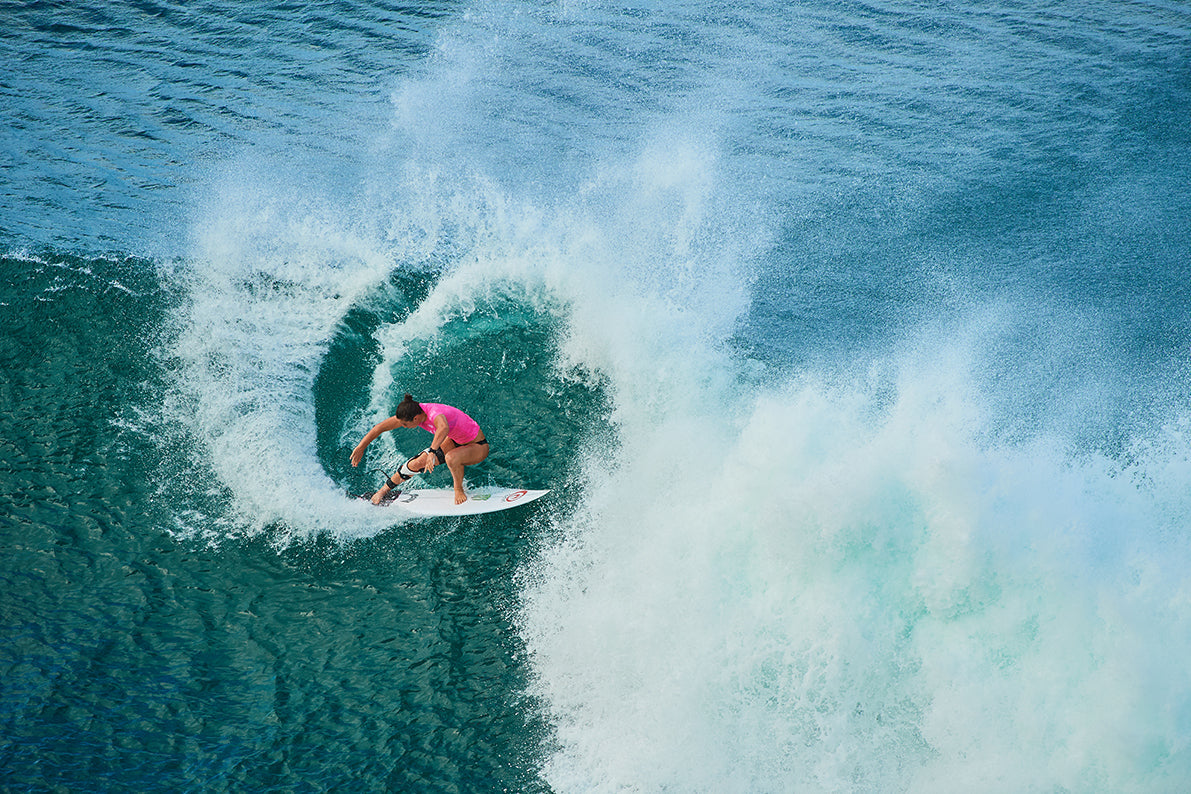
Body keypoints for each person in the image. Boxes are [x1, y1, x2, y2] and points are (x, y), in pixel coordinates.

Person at [351, 394, 489, 505]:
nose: (403, 426)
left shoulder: (434, 413)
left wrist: (433, 451)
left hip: (478, 445)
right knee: (417, 463)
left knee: (451, 457)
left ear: (416, 418)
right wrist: (361, 447)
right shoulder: (412, 412)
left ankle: (458, 489)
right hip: (454, 440)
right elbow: (379, 428)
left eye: (405, 424)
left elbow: (443, 428)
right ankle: (382, 491)